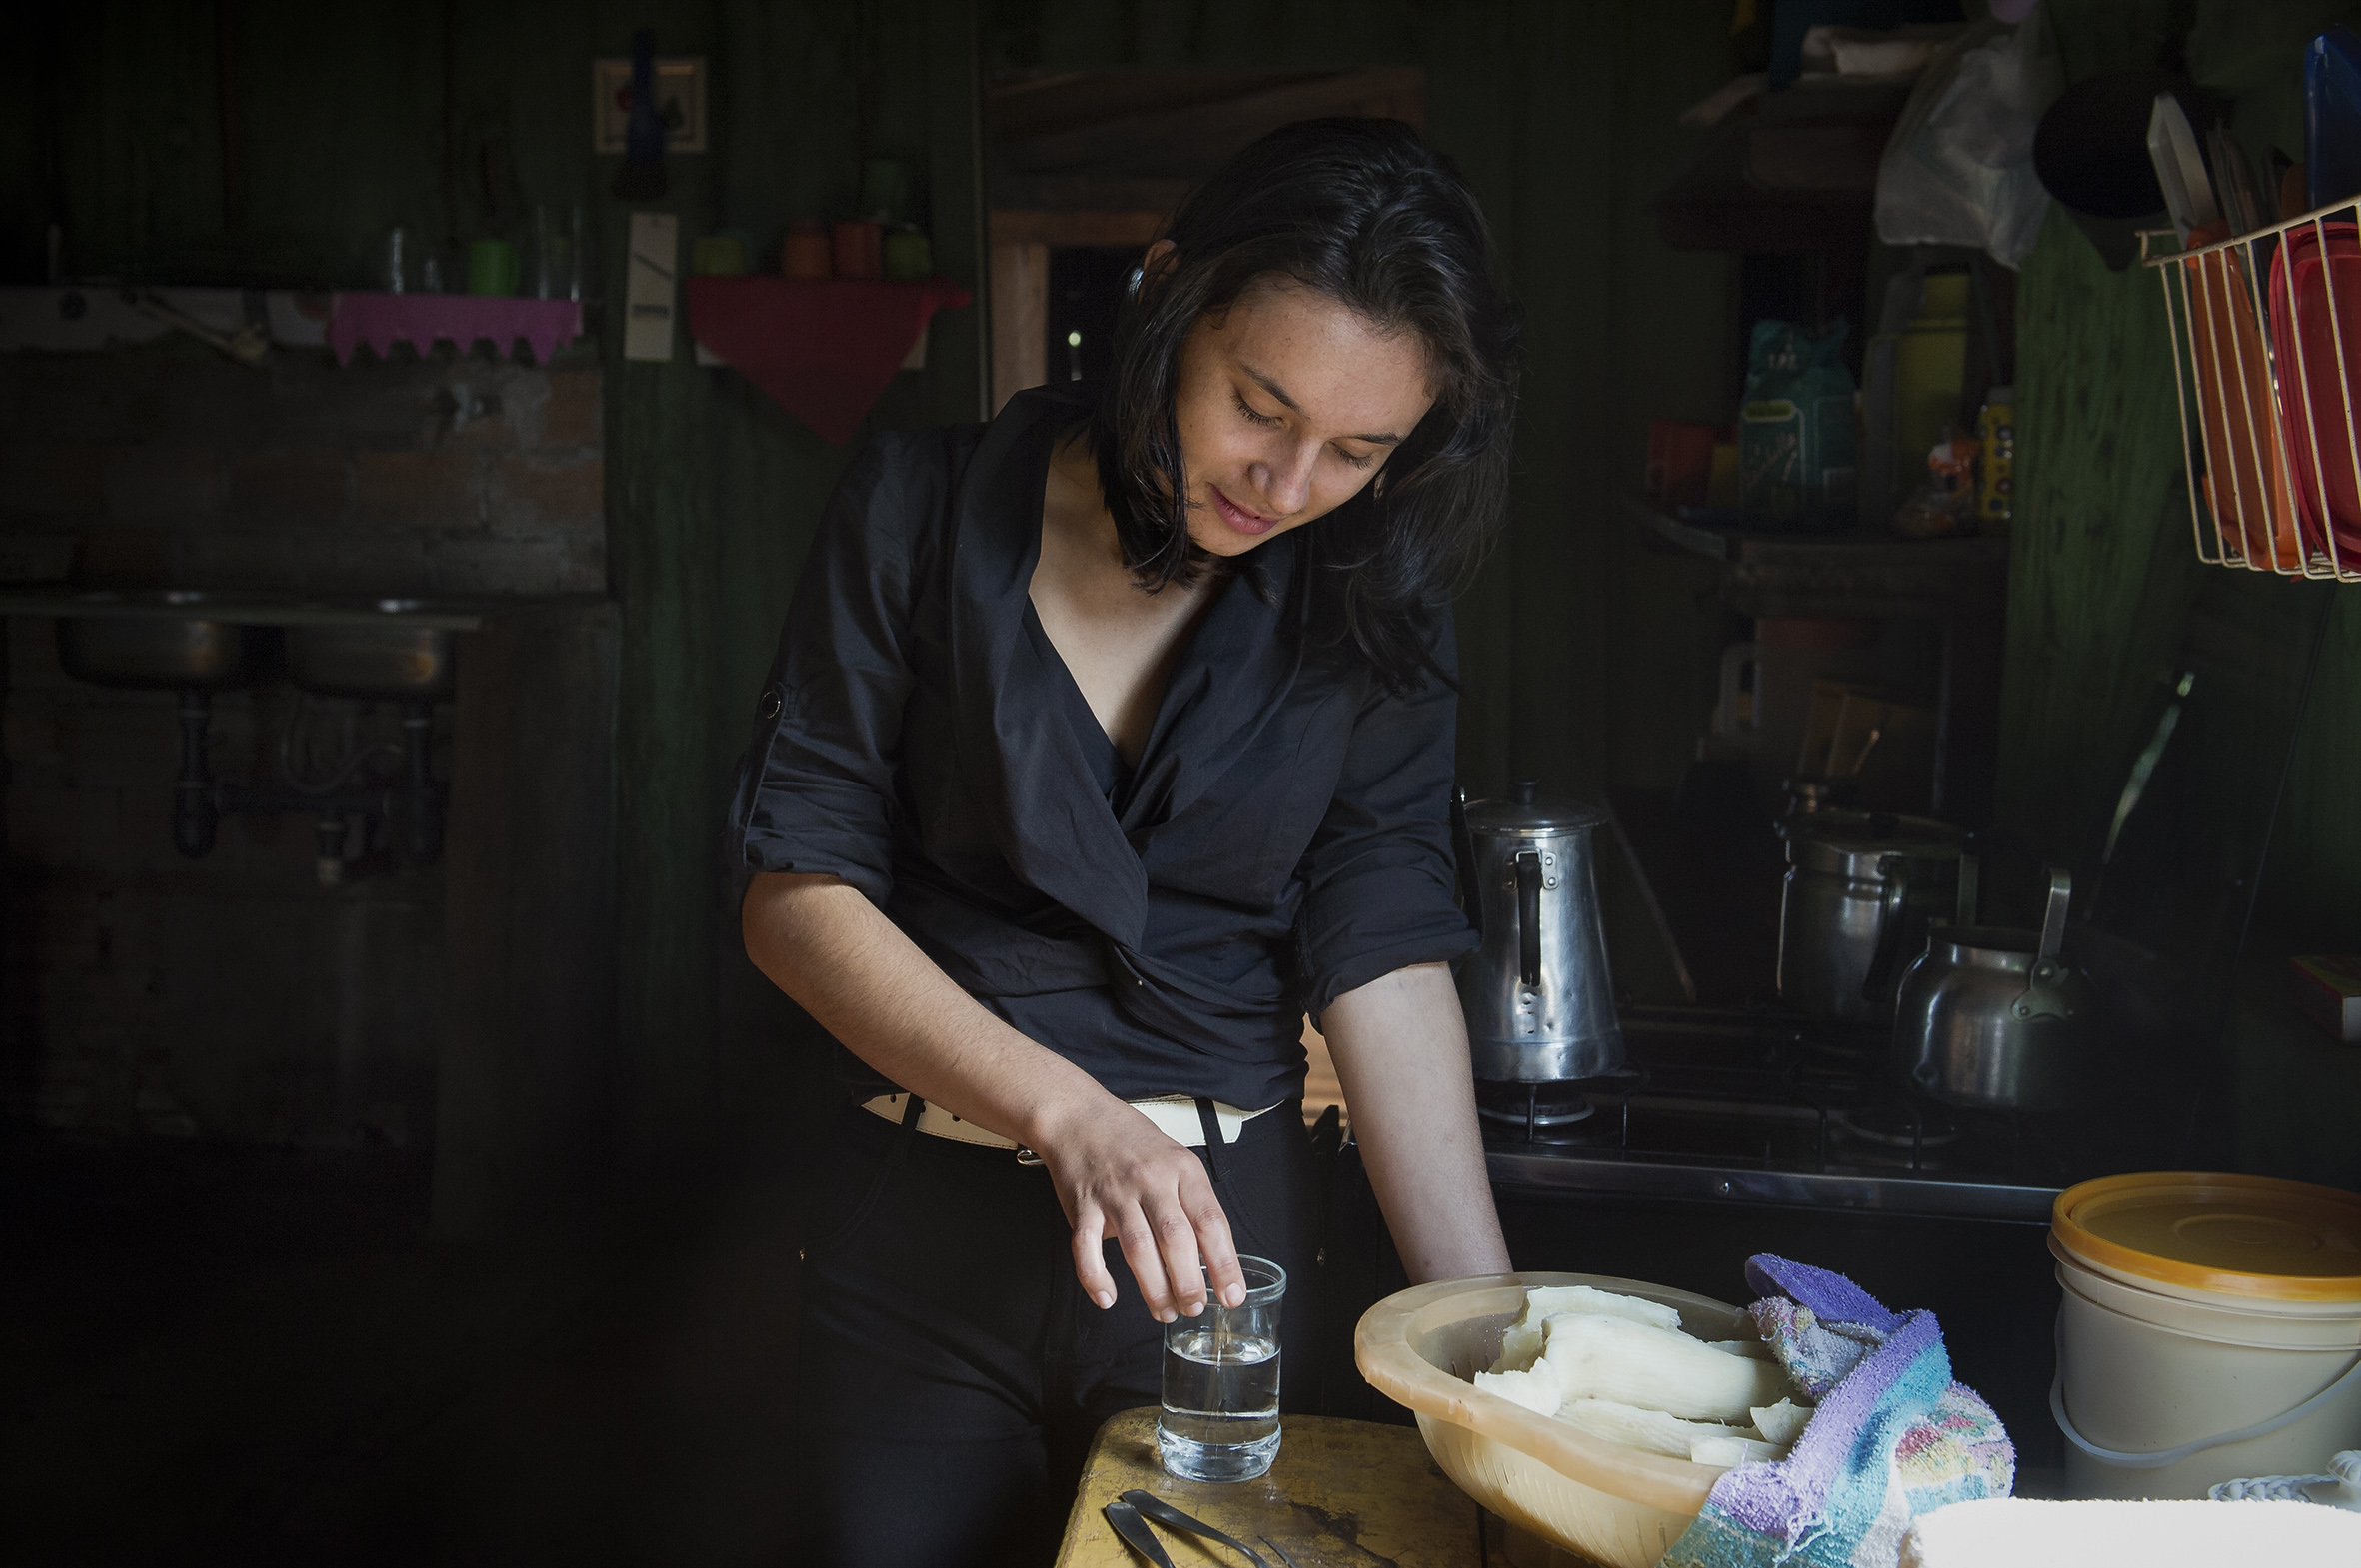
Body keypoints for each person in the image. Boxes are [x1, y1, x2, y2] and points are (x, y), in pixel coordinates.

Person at [732, 117, 1521, 1568]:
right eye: (1256, 405)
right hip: (919, 1226)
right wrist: (1066, 1111)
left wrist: (1485, 1341)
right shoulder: (913, 508)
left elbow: (1384, 936)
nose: (1284, 486)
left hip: (1223, 1261)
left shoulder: (1374, 601)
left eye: (1356, 450)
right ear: (1167, 297)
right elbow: (795, 893)